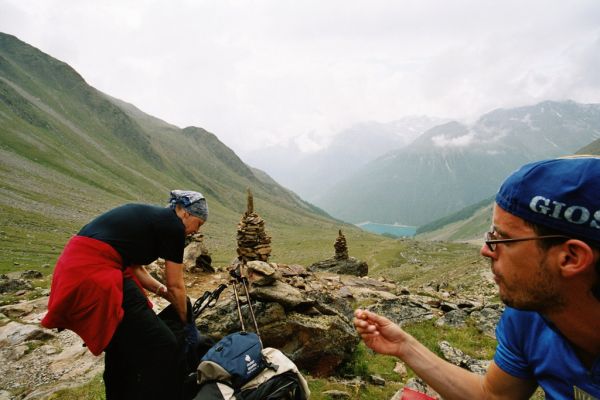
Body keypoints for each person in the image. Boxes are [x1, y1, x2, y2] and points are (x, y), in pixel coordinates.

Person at [354, 156, 600, 399]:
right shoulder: (530, 314)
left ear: (571, 258)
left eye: (501, 239)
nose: (486, 250)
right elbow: (492, 395)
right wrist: (405, 347)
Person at [41, 190, 208, 400]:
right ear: (184, 213)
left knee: (119, 345)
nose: (195, 231)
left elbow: (137, 269)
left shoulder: (154, 219)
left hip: (75, 268)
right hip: (95, 272)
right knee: (164, 344)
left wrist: (163, 293)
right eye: (199, 224)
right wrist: (186, 321)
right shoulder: (173, 226)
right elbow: (175, 284)